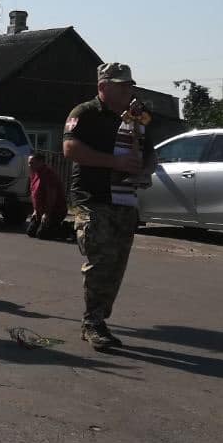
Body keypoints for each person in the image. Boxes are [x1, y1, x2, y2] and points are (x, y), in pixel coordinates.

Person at [62, 63, 150, 352]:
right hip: (92, 198)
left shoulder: (135, 117)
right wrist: (116, 163)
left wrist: (144, 169)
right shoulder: (85, 113)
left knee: (116, 265)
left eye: (129, 85)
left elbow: (150, 152)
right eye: (121, 85)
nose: (128, 90)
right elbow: (70, 149)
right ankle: (93, 323)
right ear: (103, 87)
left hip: (124, 199)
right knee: (101, 259)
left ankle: (99, 318)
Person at [26, 153, 69, 240]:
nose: (29, 165)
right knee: (31, 232)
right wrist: (35, 210)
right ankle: (50, 226)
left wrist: (47, 214)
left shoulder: (49, 175)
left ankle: (67, 229)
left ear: (41, 162)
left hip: (55, 211)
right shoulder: (34, 173)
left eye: (32, 163)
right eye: (29, 163)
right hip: (41, 211)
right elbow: (35, 194)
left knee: (42, 234)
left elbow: (51, 197)